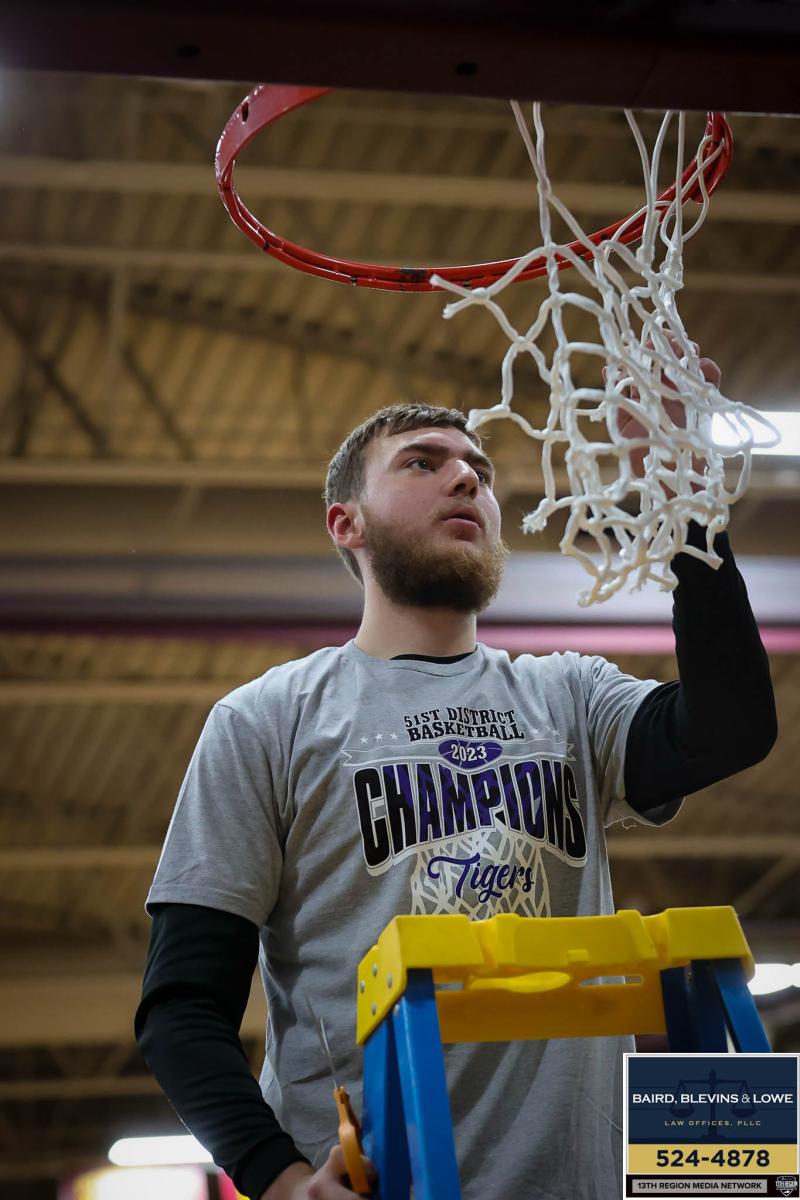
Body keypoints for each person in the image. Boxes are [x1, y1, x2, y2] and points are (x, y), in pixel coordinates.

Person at [136, 376, 777, 1199]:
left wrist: (687, 502)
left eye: (479, 468)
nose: (467, 476)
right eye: (423, 462)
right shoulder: (267, 719)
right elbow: (181, 1007)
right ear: (346, 523)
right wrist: (283, 1181)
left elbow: (732, 728)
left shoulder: (570, 696)